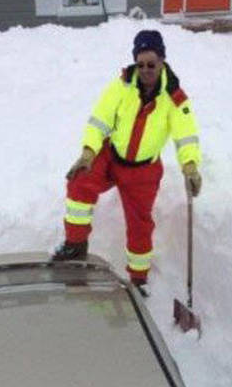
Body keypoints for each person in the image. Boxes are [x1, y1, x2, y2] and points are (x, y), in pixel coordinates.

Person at [51, 29, 202, 294]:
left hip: (143, 172)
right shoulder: (122, 86)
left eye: (151, 64)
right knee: (80, 182)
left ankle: (139, 278)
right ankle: (76, 245)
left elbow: (186, 135)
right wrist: (89, 152)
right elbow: (100, 120)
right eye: (140, 64)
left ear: (162, 61)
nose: (145, 70)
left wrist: (190, 167)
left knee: (140, 225)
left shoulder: (175, 98)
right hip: (111, 157)